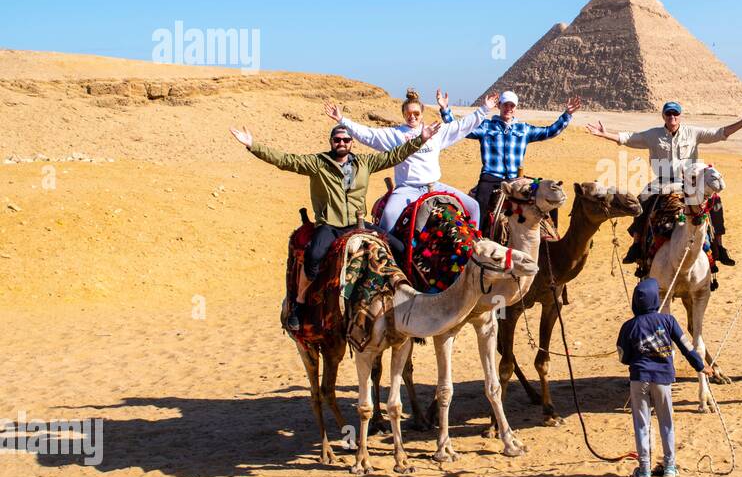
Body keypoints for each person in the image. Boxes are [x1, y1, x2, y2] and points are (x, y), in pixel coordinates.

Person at [230, 119, 437, 330]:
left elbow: (394, 155)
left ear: (351, 143)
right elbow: (285, 160)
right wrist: (252, 145)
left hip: (357, 224)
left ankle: (408, 302)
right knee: (313, 256)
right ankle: (300, 305)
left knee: (400, 248)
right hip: (329, 225)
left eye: (346, 139)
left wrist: (421, 139)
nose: (342, 143)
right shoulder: (317, 163)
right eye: (337, 139)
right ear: (331, 141)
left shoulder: (364, 163)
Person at [586, 101, 742, 266]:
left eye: (675, 113)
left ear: (680, 116)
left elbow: (720, 133)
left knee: (715, 201)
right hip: (662, 182)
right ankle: (636, 245)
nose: (672, 117)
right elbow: (629, 138)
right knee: (641, 201)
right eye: (668, 113)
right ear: (663, 115)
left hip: (689, 183)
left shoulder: (693, 133)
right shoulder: (653, 135)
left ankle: (719, 247)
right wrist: (604, 134)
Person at [324, 87, 497, 232]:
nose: (412, 116)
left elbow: (462, 125)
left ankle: (473, 251)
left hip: (435, 186)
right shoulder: (395, 134)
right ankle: (387, 260)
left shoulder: (436, 131)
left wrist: (484, 109)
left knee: (473, 207)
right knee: (389, 216)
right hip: (407, 189)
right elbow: (368, 134)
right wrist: (342, 120)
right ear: (403, 114)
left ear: (422, 114)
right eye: (408, 113)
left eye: (416, 113)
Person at [615, 278, 712, 477]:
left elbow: (623, 357)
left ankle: (644, 470)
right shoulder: (668, 321)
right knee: (666, 422)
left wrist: (638, 356)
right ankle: (669, 466)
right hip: (663, 380)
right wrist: (701, 366)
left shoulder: (628, 326)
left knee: (642, 424)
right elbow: (687, 347)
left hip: (639, 379)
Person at [441, 90, 581, 232]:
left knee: (550, 195)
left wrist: (567, 115)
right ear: (499, 105)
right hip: (491, 177)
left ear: (515, 108)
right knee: (479, 207)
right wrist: (445, 110)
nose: (508, 109)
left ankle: (552, 236)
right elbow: (459, 128)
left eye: (511, 106)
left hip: (516, 179)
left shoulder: (524, 129)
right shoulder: (486, 127)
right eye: (505, 105)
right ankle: (477, 240)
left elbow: (549, 132)